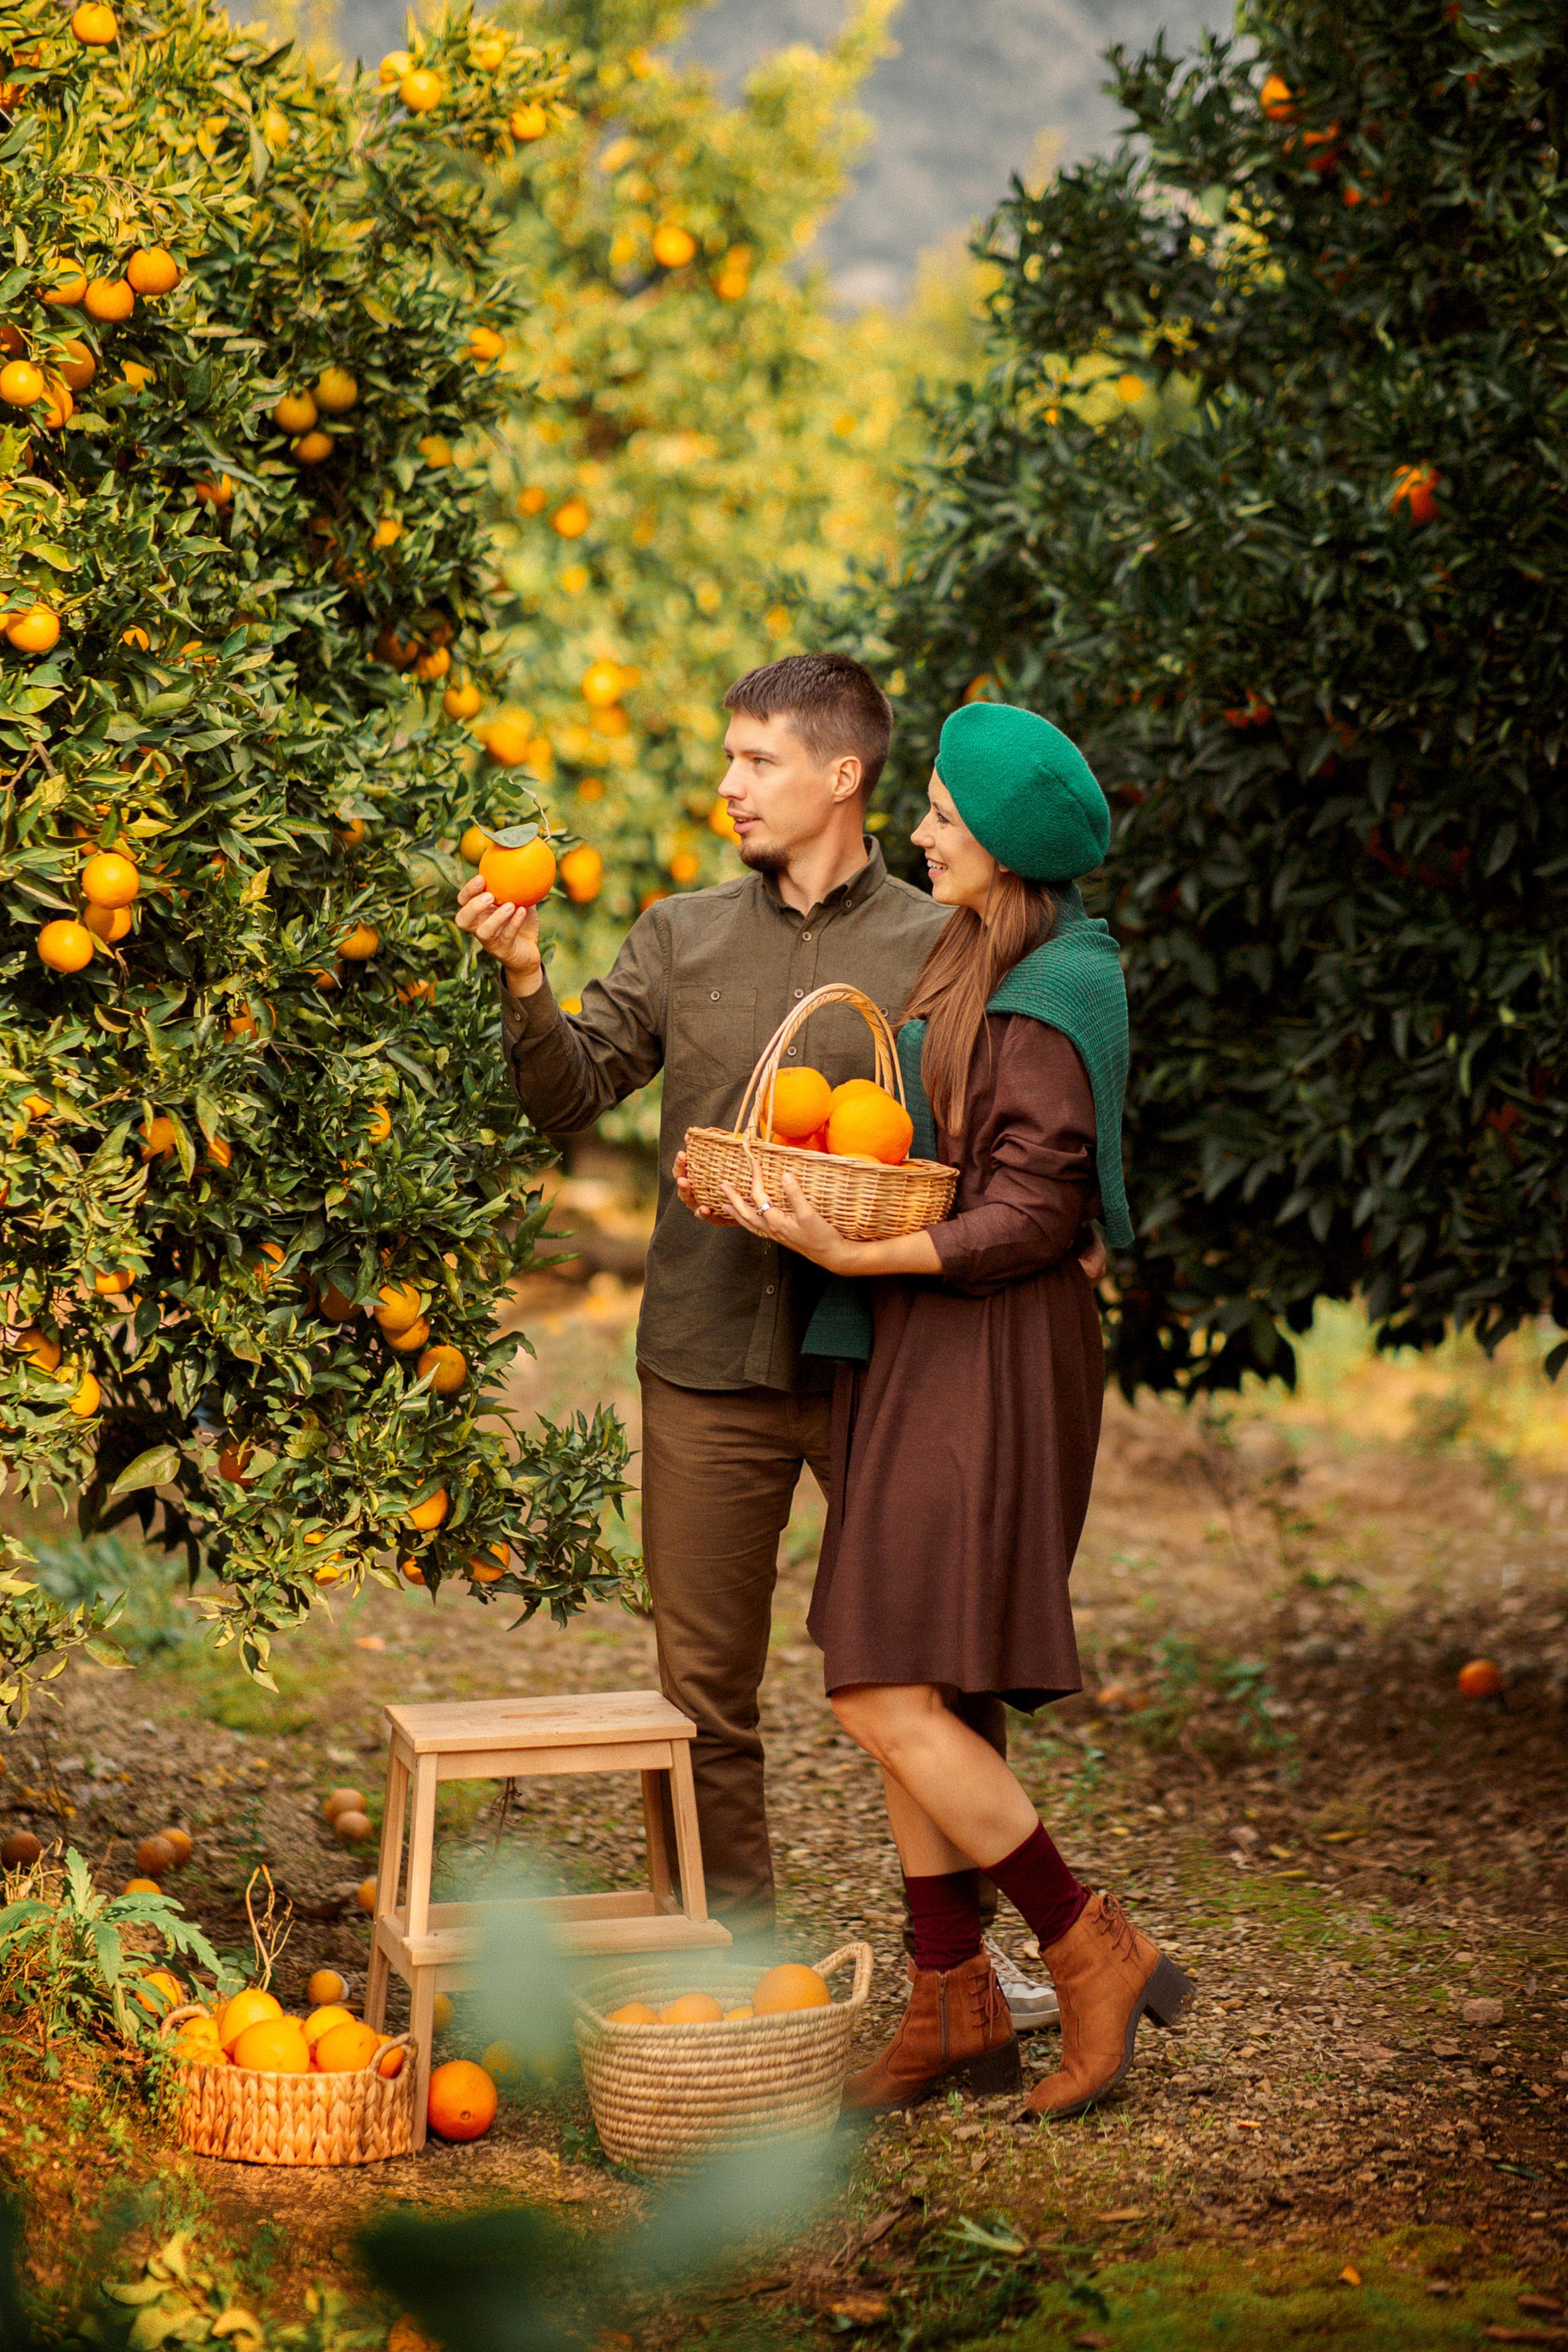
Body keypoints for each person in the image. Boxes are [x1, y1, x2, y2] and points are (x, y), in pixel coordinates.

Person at [457, 655, 1030, 1953]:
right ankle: (735, 1960)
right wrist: (527, 981)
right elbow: (568, 1095)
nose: (726, 786)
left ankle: (968, 1963)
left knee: (931, 1673)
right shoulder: (679, 932)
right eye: (727, 759)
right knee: (701, 1693)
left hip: (881, 1361)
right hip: (704, 1360)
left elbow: (989, 1145)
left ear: (842, 777)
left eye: (754, 761)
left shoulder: (941, 941)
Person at [712, 698, 1193, 2119]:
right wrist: (781, 1170)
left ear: (1001, 845)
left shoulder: (1057, 990)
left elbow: (1034, 1212)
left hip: (988, 1343)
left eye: (941, 815)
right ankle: (950, 2002)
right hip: (927, 1335)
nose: (921, 830)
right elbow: (916, 1150)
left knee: (873, 1678)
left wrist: (856, 1250)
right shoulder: (979, 956)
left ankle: (1086, 1940)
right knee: (920, 1676)